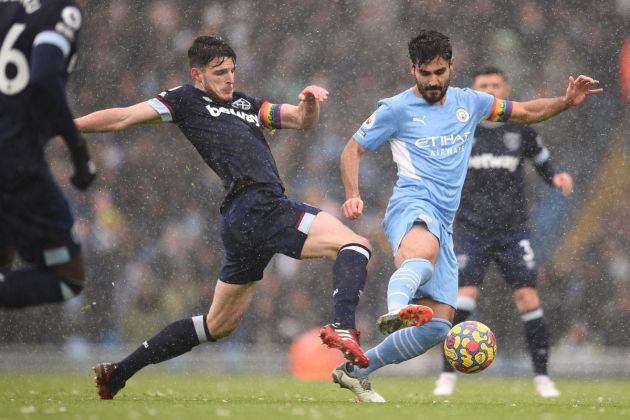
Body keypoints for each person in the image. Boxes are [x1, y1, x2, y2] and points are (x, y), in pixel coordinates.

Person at [75, 35, 373, 400]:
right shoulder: (183, 99)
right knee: (355, 245)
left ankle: (119, 372)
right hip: (258, 205)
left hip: (242, 220)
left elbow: (300, 121)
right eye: (220, 73)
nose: (229, 79)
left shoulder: (246, 103)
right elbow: (123, 117)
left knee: (217, 325)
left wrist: (309, 102)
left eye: (232, 70)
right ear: (197, 75)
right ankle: (344, 327)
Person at [332, 30, 601, 402]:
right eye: (424, 73)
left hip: (446, 221)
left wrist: (567, 101)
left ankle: (357, 370)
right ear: (412, 69)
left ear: (451, 66)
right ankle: (396, 309)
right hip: (411, 204)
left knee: (439, 327)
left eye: (439, 72)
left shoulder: (470, 102)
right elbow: (352, 149)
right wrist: (352, 195)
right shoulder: (394, 109)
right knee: (420, 250)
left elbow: (522, 112)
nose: (432, 81)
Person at [432, 66, 573, 398]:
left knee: (528, 297)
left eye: (496, 85)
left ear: (506, 90)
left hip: (513, 230)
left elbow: (543, 161)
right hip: (471, 229)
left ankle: (542, 378)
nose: (492, 90)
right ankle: (446, 376)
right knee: (462, 300)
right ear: (475, 92)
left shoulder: (521, 130)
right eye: (484, 86)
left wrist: (556, 177)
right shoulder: (460, 130)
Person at [0, 0, 96, 309]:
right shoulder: (61, 10)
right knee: (68, 278)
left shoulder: (7, 9)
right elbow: (44, 77)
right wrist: (79, 153)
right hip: (16, 163)